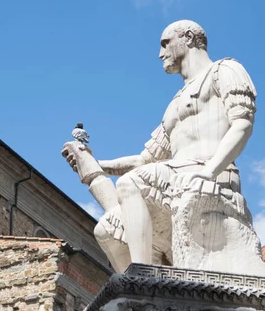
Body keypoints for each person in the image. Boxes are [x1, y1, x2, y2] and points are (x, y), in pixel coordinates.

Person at [90, 20, 257, 269]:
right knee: (105, 230)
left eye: (165, 43)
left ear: (188, 38)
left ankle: (142, 279)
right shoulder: (174, 105)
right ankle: (137, 294)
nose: (160, 53)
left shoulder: (225, 70)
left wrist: (210, 170)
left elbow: (242, 123)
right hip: (174, 177)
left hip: (212, 173)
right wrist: (97, 164)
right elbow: (144, 159)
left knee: (130, 182)